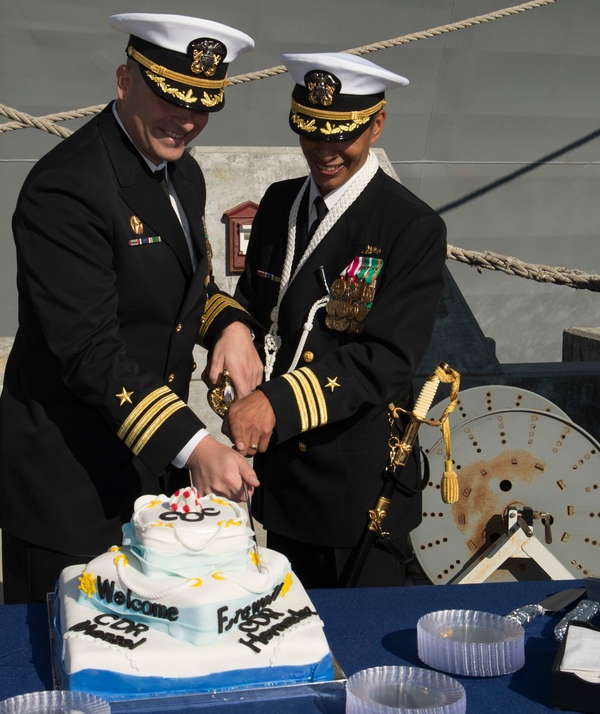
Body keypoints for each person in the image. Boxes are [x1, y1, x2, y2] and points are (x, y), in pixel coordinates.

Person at [0, 13, 262, 604]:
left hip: (143, 468)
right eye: (169, 95)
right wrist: (197, 447)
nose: (186, 119)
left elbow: (189, 289)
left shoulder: (181, 174)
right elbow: (89, 348)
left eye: (202, 104)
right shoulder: (66, 187)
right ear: (123, 81)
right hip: (69, 482)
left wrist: (232, 324)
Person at [223, 52, 447, 588]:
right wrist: (232, 333)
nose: (324, 152)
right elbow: (256, 304)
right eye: (311, 133)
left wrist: (274, 403)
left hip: (355, 487)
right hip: (283, 479)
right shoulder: (280, 204)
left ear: (376, 125)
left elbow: (386, 360)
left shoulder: (408, 226)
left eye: (340, 136)